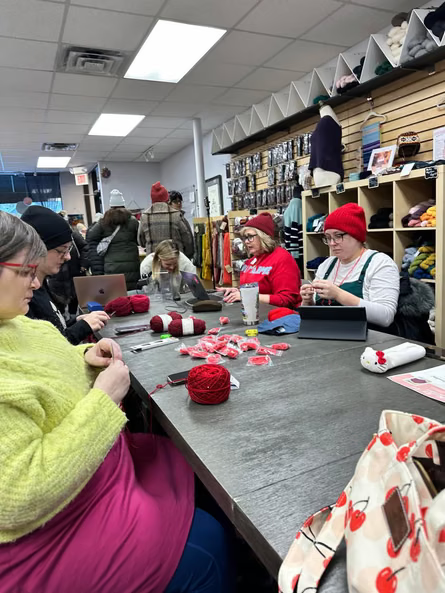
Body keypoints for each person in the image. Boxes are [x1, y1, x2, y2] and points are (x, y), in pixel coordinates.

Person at [0, 210, 234, 593]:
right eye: (26, 270)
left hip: (99, 482)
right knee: (204, 546)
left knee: (185, 465)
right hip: (54, 533)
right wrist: (104, 398)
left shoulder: (18, 320)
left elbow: (42, 364)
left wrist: (84, 359)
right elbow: (16, 497)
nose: (39, 278)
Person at [300, 203, 400, 328]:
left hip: (369, 340)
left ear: (356, 234)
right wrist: (308, 302)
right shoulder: (327, 265)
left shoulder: (380, 263)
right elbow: (313, 314)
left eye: (338, 236)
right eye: (328, 237)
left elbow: (385, 316)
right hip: (327, 334)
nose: (332, 243)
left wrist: (338, 294)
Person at [21, 205, 108, 345]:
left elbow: (53, 327)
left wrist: (75, 322)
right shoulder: (26, 298)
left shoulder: (41, 286)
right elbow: (48, 349)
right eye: (62, 250)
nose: (67, 257)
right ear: (38, 248)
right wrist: (82, 328)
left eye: (69, 249)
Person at [219, 212, 302, 308]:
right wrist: (238, 291)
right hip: (254, 314)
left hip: (279, 317)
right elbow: (254, 289)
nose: (246, 241)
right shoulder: (251, 261)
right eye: (244, 238)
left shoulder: (282, 259)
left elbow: (286, 300)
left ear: (263, 236)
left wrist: (247, 296)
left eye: (250, 237)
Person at [87, 191, 140, 290]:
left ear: (110, 206)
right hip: (132, 265)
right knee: (132, 294)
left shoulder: (104, 221)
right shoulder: (133, 221)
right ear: (123, 205)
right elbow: (139, 239)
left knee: (115, 295)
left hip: (111, 266)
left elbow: (90, 236)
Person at [138, 182, 194, 259]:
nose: (178, 203)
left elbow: (141, 241)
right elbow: (187, 241)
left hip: (153, 261)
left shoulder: (145, 216)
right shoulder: (176, 215)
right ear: (167, 199)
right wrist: (186, 257)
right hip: (175, 261)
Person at [48, 228, 90, 315]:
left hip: (75, 270)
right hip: (58, 274)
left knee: (75, 296)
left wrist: (83, 265)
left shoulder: (73, 235)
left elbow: (85, 248)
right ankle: (62, 316)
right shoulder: (50, 237)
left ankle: (72, 315)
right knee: (58, 296)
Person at [168, 190, 195, 260]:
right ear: (169, 203)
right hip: (177, 256)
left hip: (186, 256)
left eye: (180, 201)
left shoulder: (182, 217)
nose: (179, 203)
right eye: (175, 202)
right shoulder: (170, 219)